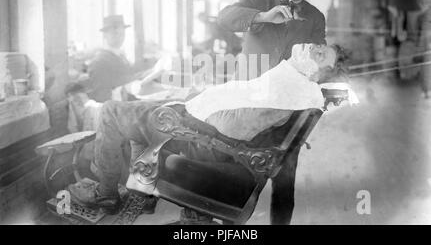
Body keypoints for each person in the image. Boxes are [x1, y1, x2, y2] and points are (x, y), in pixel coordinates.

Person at [68, 43, 347, 220]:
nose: (313, 48)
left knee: (110, 111)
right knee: (141, 107)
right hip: (199, 123)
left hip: (198, 137)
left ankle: (107, 195)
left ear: (320, 73)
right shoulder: (300, 86)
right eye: (320, 46)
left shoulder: (294, 87)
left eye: (321, 54)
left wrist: (192, 114)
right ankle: (143, 195)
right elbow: (248, 102)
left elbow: (233, 126)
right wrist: (212, 93)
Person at [217, 0, 327, 224]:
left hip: (286, 113)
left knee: (284, 179)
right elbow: (225, 17)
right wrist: (263, 17)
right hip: (247, 105)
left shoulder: (315, 17)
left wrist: (319, 72)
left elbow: (319, 57)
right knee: (239, 177)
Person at [80, 15, 156, 102]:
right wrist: (142, 75)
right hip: (115, 108)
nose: (120, 37)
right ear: (105, 35)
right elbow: (102, 97)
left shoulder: (120, 55)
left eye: (122, 34)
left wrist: (148, 73)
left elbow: (128, 75)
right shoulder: (99, 61)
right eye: (115, 33)